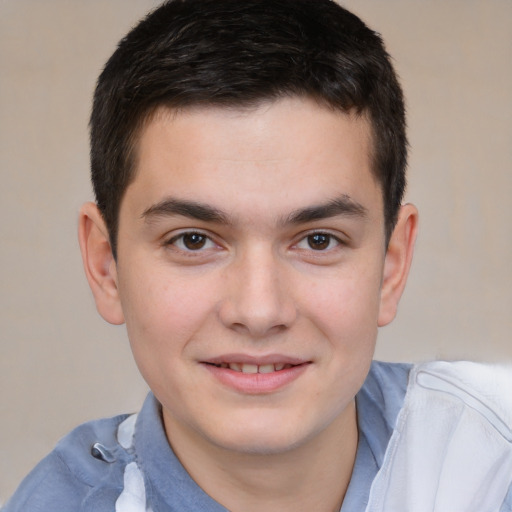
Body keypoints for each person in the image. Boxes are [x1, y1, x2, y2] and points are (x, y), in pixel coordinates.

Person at [3, 0, 511, 511]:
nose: (259, 311)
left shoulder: (492, 463)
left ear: (392, 264)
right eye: (193, 240)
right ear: (105, 265)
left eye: (318, 240)